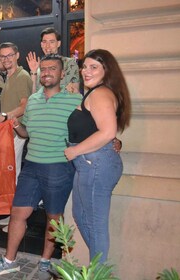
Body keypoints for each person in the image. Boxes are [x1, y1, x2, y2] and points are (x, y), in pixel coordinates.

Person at [0, 54, 82, 277]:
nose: (47, 72)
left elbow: (92, 127)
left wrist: (113, 140)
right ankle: (10, 260)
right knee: (18, 213)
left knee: (53, 217)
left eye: (52, 69)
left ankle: (45, 263)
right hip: (32, 165)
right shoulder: (34, 100)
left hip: (59, 167)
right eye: (44, 69)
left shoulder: (75, 100)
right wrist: (17, 126)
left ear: (62, 74)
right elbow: (27, 133)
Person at [64, 49, 131, 263]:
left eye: (94, 67)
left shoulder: (101, 93)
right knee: (81, 215)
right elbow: (102, 130)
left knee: (95, 223)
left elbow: (108, 132)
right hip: (89, 163)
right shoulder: (96, 93)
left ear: (106, 70)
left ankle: (97, 272)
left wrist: (75, 150)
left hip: (95, 163)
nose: (86, 71)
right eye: (84, 66)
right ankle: (97, 266)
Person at [0, 26, 33, 232]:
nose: (5, 60)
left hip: (16, 132)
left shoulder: (22, 77)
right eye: (3, 57)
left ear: (17, 56)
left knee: (14, 175)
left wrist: (4, 116)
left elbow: (25, 106)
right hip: (7, 132)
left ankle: (18, 220)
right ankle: (11, 214)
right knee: (8, 175)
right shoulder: (9, 75)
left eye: (9, 56)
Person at [26, 27, 80, 94]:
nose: (47, 46)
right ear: (41, 44)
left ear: (58, 43)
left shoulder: (69, 63)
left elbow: (74, 91)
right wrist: (33, 72)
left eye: (51, 42)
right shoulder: (38, 67)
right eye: (44, 42)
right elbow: (33, 96)